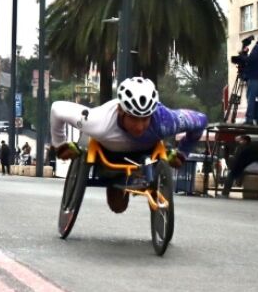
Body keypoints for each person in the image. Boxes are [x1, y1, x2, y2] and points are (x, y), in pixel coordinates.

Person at [50, 77, 208, 213]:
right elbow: (57, 109)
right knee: (118, 207)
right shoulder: (98, 121)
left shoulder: (165, 121)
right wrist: (60, 144)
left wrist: (182, 153)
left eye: (145, 119)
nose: (139, 126)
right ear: (120, 110)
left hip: (147, 154)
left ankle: (149, 179)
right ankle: (118, 182)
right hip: (109, 155)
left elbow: (201, 120)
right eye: (133, 118)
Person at [220, 135, 258, 199]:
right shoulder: (255, 148)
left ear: (245, 141)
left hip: (248, 168)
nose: (240, 142)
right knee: (237, 172)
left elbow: (240, 162)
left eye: (241, 140)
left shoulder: (243, 149)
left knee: (231, 175)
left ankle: (225, 194)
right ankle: (238, 181)